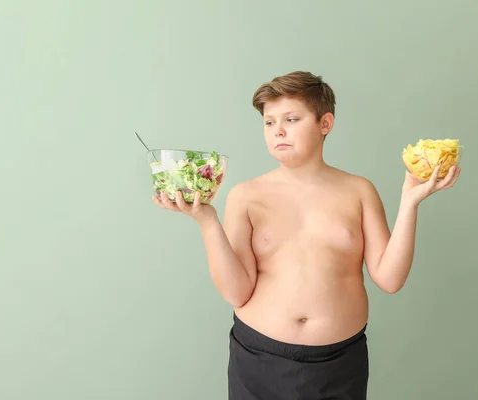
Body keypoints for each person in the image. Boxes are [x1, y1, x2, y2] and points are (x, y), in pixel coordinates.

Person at [152, 71, 461, 399]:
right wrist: (207, 221)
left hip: (339, 363)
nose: (278, 131)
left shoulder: (359, 191)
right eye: (269, 122)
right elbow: (237, 292)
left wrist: (409, 202)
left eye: (291, 119)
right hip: (258, 359)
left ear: (325, 123)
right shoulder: (245, 195)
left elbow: (390, 279)